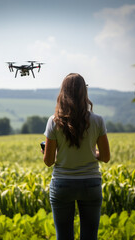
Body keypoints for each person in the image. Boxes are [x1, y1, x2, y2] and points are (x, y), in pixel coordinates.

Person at [42, 73, 110, 240]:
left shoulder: (54, 121)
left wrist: (48, 152)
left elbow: (49, 162)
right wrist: (91, 152)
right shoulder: (98, 120)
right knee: (90, 236)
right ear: (83, 93)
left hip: (62, 183)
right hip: (91, 183)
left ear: (63, 93)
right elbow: (106, 157)